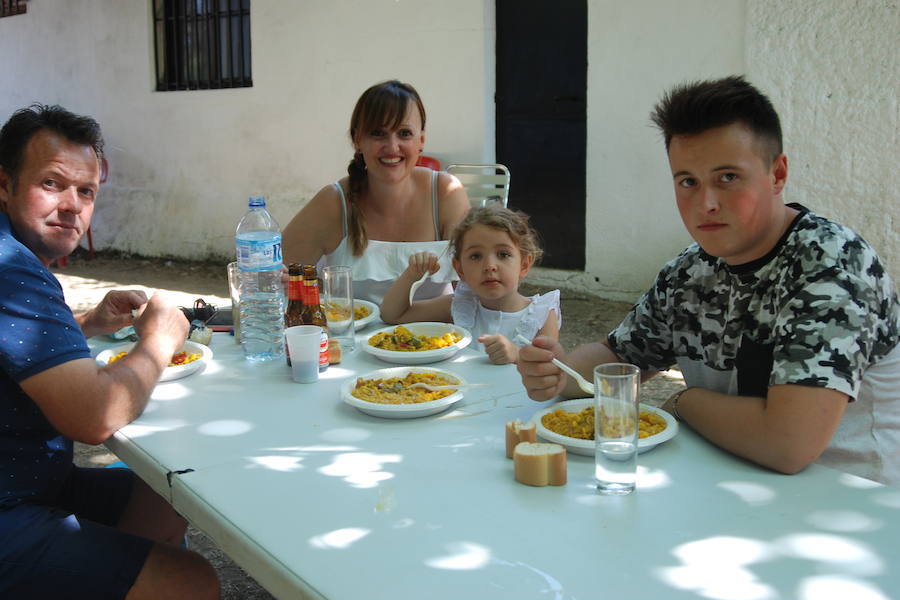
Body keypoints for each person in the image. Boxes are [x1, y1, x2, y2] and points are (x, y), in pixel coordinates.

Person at [517, 76, 900, 486]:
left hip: (848, 504)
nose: (707, 203)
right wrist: (561, 374)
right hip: (728, 489)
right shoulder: (690, 271)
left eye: (728, 177)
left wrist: (686, 400)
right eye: (688, 182)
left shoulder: (832, 267)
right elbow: (620, 354)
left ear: (777, 173)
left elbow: (788, 444)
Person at [0, 105, 219, 600]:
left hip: (31, 484)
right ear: (5, 184)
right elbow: (95, 417)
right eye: (52, 184)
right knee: (192, 583)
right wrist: (160, 339)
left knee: (165, 489)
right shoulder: (11, 268)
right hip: (11, 504)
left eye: (87, 191)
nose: (73, 205)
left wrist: (89, 324)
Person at [281, 79, 471, 305]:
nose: (392, 147)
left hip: (439, 337)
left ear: (421, 140)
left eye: (404, 133)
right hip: (351, 339)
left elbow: (472, 290)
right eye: (378, 133)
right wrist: (282, 284)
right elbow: (271, 278)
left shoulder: (445, 194)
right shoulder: (334, 202)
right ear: (357, 140)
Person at [381, 205, 560, 364]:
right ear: (460, 270)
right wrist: (411, 275)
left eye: (503, 254)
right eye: (476, 256)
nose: (490, 266)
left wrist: (517, 355)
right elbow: (393, 315)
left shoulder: (542, 314)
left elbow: (551, 367)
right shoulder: (460, 306)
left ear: (524, 264)